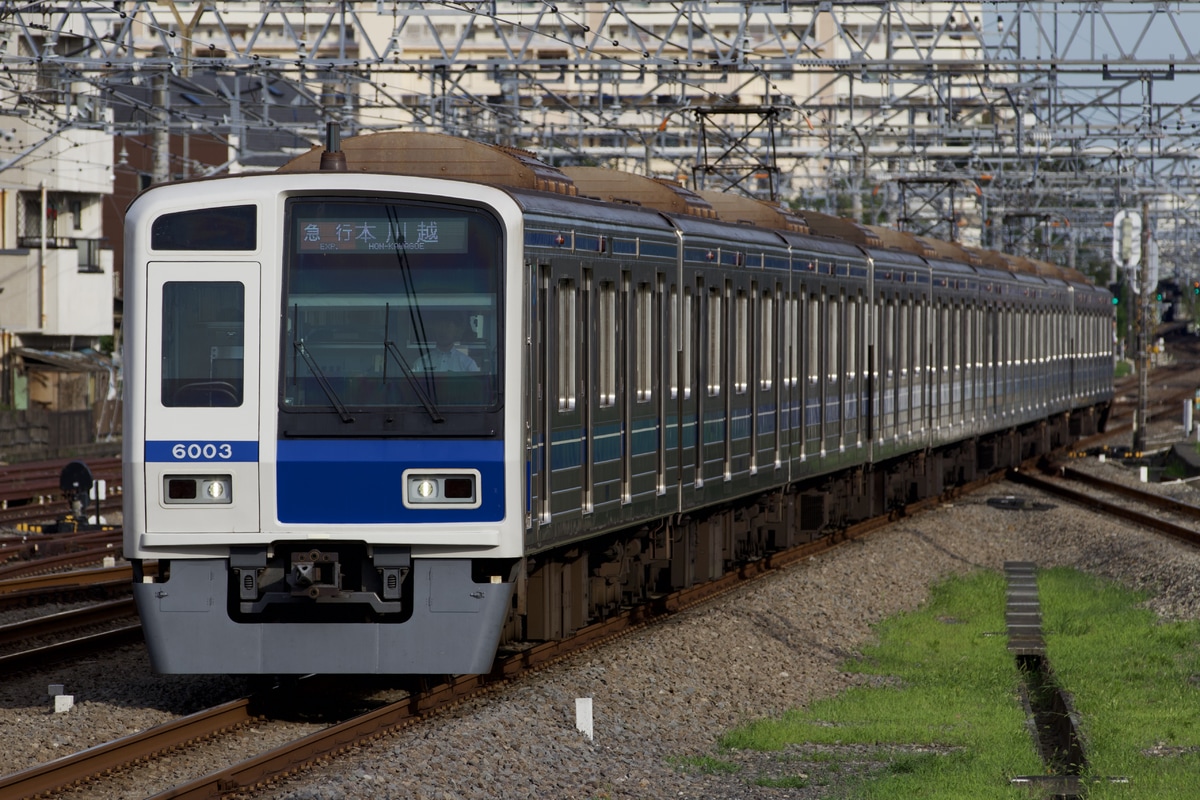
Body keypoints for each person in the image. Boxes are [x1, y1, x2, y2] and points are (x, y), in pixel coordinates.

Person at [415, 314, 479, 373]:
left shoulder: (468, 364)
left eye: (448, 326)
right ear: (434, 329)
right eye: (440, 326)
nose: (443, 331)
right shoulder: (421, 363)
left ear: (456, 330)